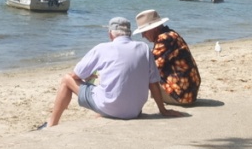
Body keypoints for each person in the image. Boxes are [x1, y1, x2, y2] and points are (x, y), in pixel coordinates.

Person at [44, 17, 182, 128]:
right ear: (129, 33)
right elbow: (153, 83)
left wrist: (87, 77)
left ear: (111, 34)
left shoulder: (102, 48)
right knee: (107, 87)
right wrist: (162, 110)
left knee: (66, 80)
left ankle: (52, 123)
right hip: (134, 111)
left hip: (112, 107)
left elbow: (75, 76)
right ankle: (104, 113)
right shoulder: (144, 48)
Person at [132, 9, 201, 105]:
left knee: (143, 74)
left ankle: (131, 104)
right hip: (189, 92)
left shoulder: (164, 39)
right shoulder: (171, 34)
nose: (143, 36)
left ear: (154, 28)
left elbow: (151, 67)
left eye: (144, 32)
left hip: (181, 95)